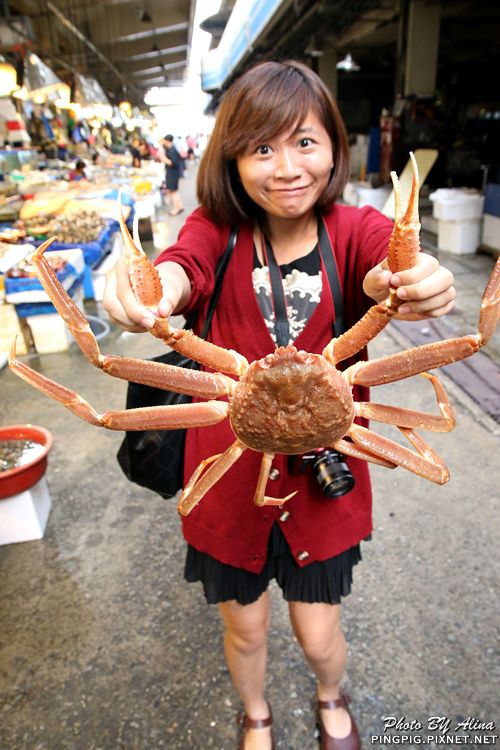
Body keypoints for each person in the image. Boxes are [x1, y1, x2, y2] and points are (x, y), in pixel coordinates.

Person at [104, 61, 455, 750]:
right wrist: (155, 292)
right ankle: (256, 715)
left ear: (333, 147)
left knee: (320, 630)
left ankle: (331, 694)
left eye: (304, 142)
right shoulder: (217, 230)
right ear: (230, 159)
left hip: (328, 481)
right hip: (228, 478)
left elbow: (389, 265)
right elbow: (180, 268)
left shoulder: (353, 230)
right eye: (261, 147)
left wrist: (412, 280)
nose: (287, 167)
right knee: (246, 627)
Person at [159, 133, 185, 215]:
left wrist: (164, 158)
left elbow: (173, 163)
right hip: (173, 173)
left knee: (173, 191)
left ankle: (176, 209)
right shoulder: (171, 148)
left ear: (167, 141)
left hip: (173, 173)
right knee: (175, 191)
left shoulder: (172, 150)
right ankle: (180, 206)